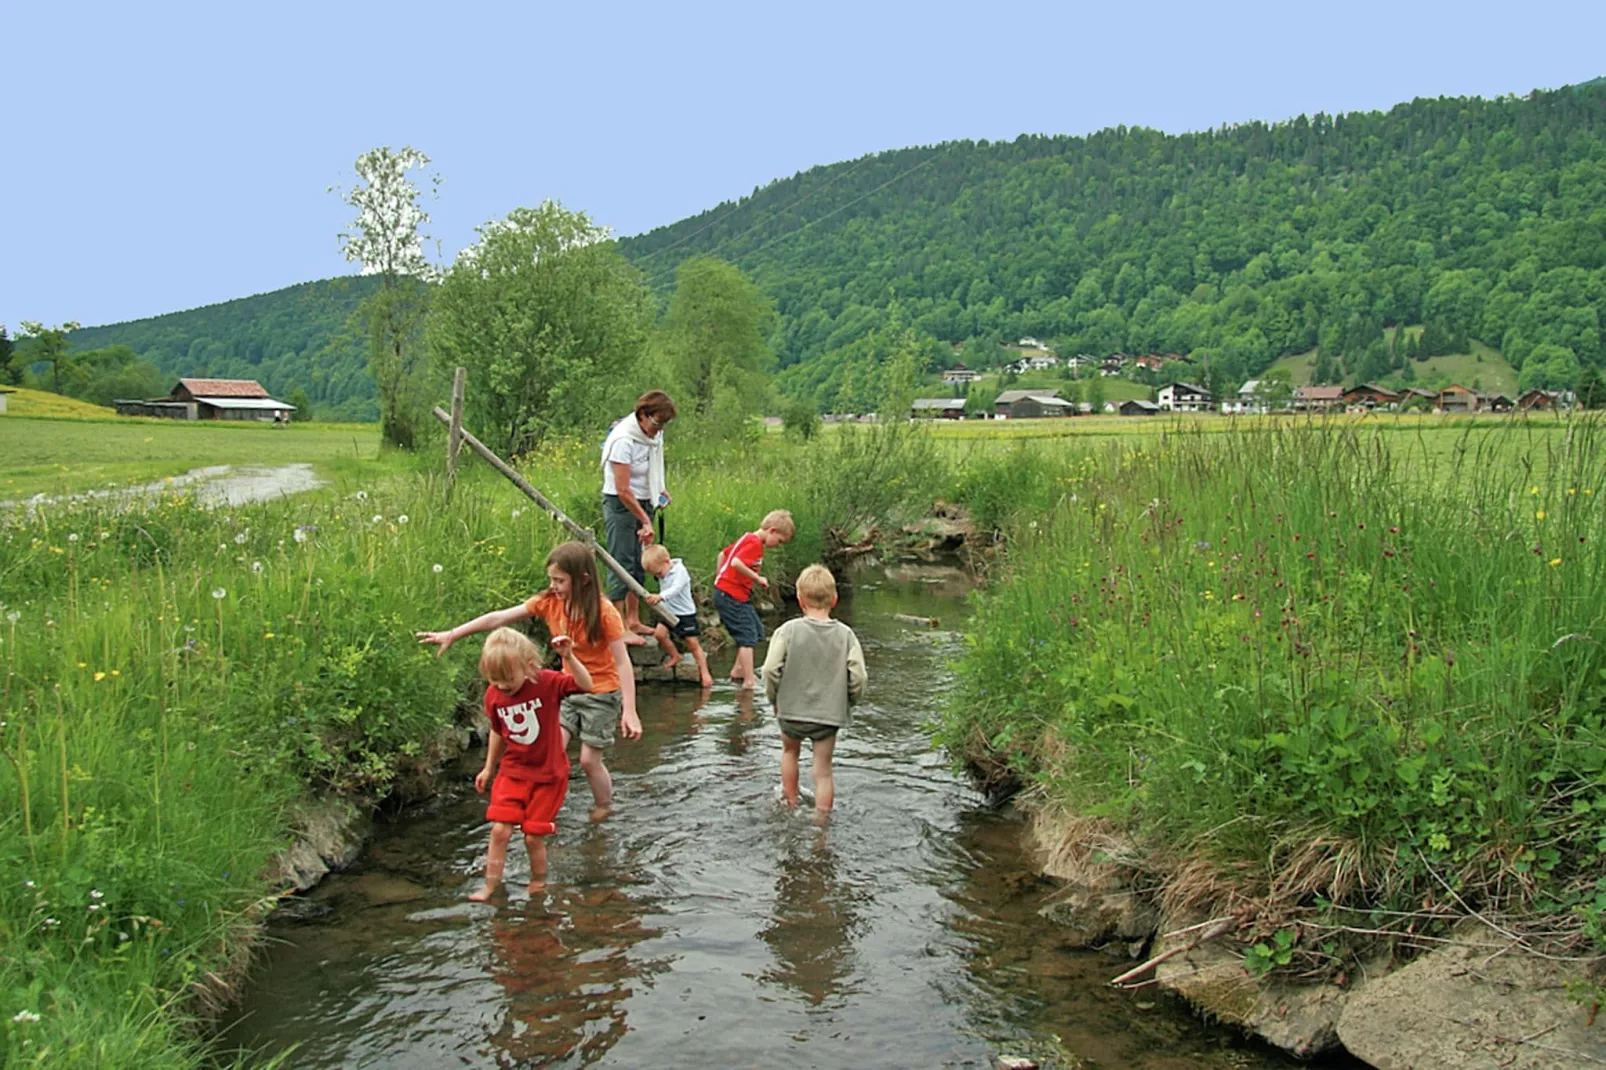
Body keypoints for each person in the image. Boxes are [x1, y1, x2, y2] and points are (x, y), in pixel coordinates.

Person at [417, 542, 642, 817]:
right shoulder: (549, 603)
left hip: (602, 693)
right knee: (550, 750)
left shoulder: (604, 612)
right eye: (551, 579)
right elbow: (498, 618)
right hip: (567, 690)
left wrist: (629, 710)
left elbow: (622, 662)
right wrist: (454, 633)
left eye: (560, 580)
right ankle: (543, 805)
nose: (554, 585)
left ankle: (603, 806)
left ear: (583, 580)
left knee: (587, 760)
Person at [469, 627, 591, 900]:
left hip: (549, 775)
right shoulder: (494, 695)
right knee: (500, 830)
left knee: (532, 837)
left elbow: (586, 685)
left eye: (508, 679)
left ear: (529, 666)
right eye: (494, 680)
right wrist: (489, 767)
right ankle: (491, 885)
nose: (502, 686)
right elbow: (498, 732)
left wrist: (569, 657)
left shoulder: (546, 683)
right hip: (513, 771)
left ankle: (538, 881)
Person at [761, 564, 866, 821]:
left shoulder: (787, 630)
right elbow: (859, 676)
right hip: (828, 715)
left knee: (789, 753)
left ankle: (791, 805)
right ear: (834, 599)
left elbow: (769, 669)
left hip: (791, 711)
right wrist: (848, 701)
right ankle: (821, 826)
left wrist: (774, 699)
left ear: (799, 599)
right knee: (823, 770)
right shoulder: (847, 635)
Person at [601, 390, 677, 641]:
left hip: (644, 501)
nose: (659, 429)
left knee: (639, 561)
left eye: (664, 425)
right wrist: (644, 519)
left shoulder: (653, 436)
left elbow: (652, 469)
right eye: (657, 423)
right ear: (642, 415)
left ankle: (633, 621)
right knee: (621, 562)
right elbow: (623, 490)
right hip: (621, 505)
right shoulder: (623, 440)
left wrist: (659, 492)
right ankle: (617, 628)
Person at [714, 509, 795, 690]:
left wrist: (720, 577)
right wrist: (757, 578)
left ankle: (738, 670)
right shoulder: (755, 544)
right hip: (730, 596)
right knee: (747, 637)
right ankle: (749, 681)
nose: (778, 545)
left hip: (734, 594)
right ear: (772, 531)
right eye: (780, 541)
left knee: (756, 630)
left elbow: (723, 555)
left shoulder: (748, 538)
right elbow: (735, 563)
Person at [641, 543, 713, 688]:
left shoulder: (681, 572)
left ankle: (705, 672)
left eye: (659, 574)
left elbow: (676, 589)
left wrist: (660, 596)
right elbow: (649, 553)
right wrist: (645, 544)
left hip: (685, 613)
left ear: (667, 561)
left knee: (692, 643)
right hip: (668, 611)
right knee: (659, 634)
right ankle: (675, 655)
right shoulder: (662, 565)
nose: (658, 577)